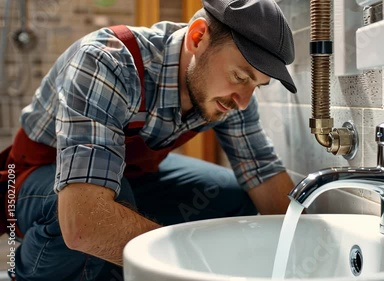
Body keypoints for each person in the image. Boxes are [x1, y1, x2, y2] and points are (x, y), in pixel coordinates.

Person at [0, 0, 298, 280]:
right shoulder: (107, 61)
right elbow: (84, 221)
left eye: (256, 86)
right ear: (197, 38)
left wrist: (313, 246)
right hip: (36, 179)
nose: (244, 101)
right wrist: (193, 261)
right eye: (241, 76)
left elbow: (262, 173)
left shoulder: (230, 97)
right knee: (105, 210)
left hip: (126, 176)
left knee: (232, 196)